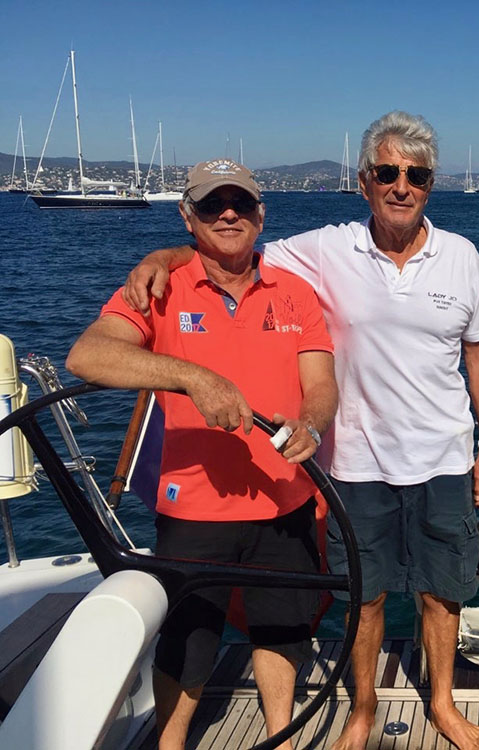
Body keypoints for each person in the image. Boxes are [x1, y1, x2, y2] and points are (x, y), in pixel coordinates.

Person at [121, 112, 479, 750]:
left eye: (417, 175)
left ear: (431, 184)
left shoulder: (460, 255)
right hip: (354, 461)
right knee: (365, 595)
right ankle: (362, 709)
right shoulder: (327, 247)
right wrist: (166, 254)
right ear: (364, 182)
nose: (402, 186)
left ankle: (442, 704)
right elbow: (233, 246)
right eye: (387, 172)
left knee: (443, 593)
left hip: (445, 459)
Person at [66, 158, 337, 750]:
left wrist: (311, 424)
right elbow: (87, 356)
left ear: (261, 215)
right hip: (192, 508)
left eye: (241, 203)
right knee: (188, 642)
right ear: (188, 217)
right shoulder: (159, 287)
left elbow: (320, 384)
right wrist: (192, 377)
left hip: (284, 498)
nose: (230, 214)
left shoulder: (295, 293)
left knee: (281, 631)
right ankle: (170, 743)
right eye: (213, 205)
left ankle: (280, 738)